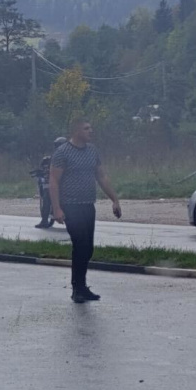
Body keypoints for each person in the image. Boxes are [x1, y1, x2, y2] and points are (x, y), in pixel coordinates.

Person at [50, 118, 122, 304]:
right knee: (80, 245)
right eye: (86, 128)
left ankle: (82, 287)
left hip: (88, 205)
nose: (91, 131)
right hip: (70, 206)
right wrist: (56, 208)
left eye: (91, 127)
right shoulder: (62, 152)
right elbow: (54, 181)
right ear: (76, 131)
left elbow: (101, 176)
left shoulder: (92, 151)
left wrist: (114, 199)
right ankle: (77, 289)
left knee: (88, 248)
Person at [32, 137, 68, 229]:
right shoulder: (50, 159)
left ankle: (45, 220)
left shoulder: (62, 158)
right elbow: (45, 170)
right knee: (46, 196)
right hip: (58, 185)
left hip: (61, 185)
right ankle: (44, 220)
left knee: (47, 197)